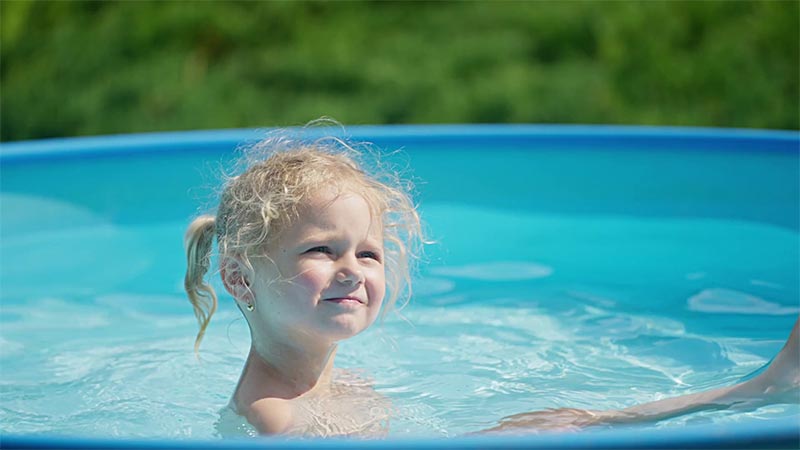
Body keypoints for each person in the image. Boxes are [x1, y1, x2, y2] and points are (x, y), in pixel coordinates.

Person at [184, 130, 799, 437]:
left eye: (368, 253)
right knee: (572, 426)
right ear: (239, 277)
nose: (353, 270)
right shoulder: (276, 418)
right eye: (322, 249)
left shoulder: (332, 382)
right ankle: (759, 390)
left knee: (570, 422)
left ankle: (758, 389)